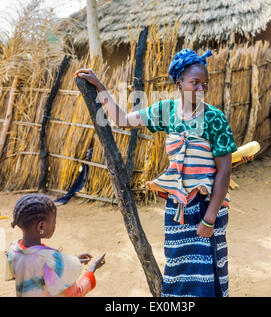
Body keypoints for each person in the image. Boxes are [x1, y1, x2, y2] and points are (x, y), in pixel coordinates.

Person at [73, 49, 251, 297]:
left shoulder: (215, 119)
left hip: (207, 206)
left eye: (205, 84)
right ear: (179, 82)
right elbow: (122, 119)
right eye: (195, 82)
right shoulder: (167, 111)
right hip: (177, 208)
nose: (201, 88)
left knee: (208, 274)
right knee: (178, 272)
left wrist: (209, 219)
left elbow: (223, 172)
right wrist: (100, 85)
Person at [5, 193, 105, 297]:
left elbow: (31, 266)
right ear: (41, 226)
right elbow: (75, 293)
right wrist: (91, 270)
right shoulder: (50, 259)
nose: (55, 224)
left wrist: (71, 261)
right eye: (54, 221)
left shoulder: (13, 250)